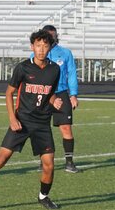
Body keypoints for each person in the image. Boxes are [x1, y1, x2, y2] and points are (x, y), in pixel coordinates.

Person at [0, 30, 63, 210]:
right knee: (1, 159)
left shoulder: (54, 69)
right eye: (38, 45)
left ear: (50, 48)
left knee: (49, 164)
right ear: (32, 46)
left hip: (42, 123)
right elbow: (9, 93)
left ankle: (43, 197)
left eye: (45, 46)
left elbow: (48, 93)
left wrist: (54, 100)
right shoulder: (23, 68)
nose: (41, 49)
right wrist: (12, 118)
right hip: (22, 121)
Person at [33, 25, 81, 173]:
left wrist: (73, 94)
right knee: (42, 129)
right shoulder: (36, 53)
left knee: (66, 128)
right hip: (44, 95)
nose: (50, 38)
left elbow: (72, 73)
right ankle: (44, 161)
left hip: (61, 94)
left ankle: (69, 162)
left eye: (52, 35)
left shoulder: (65, 53)